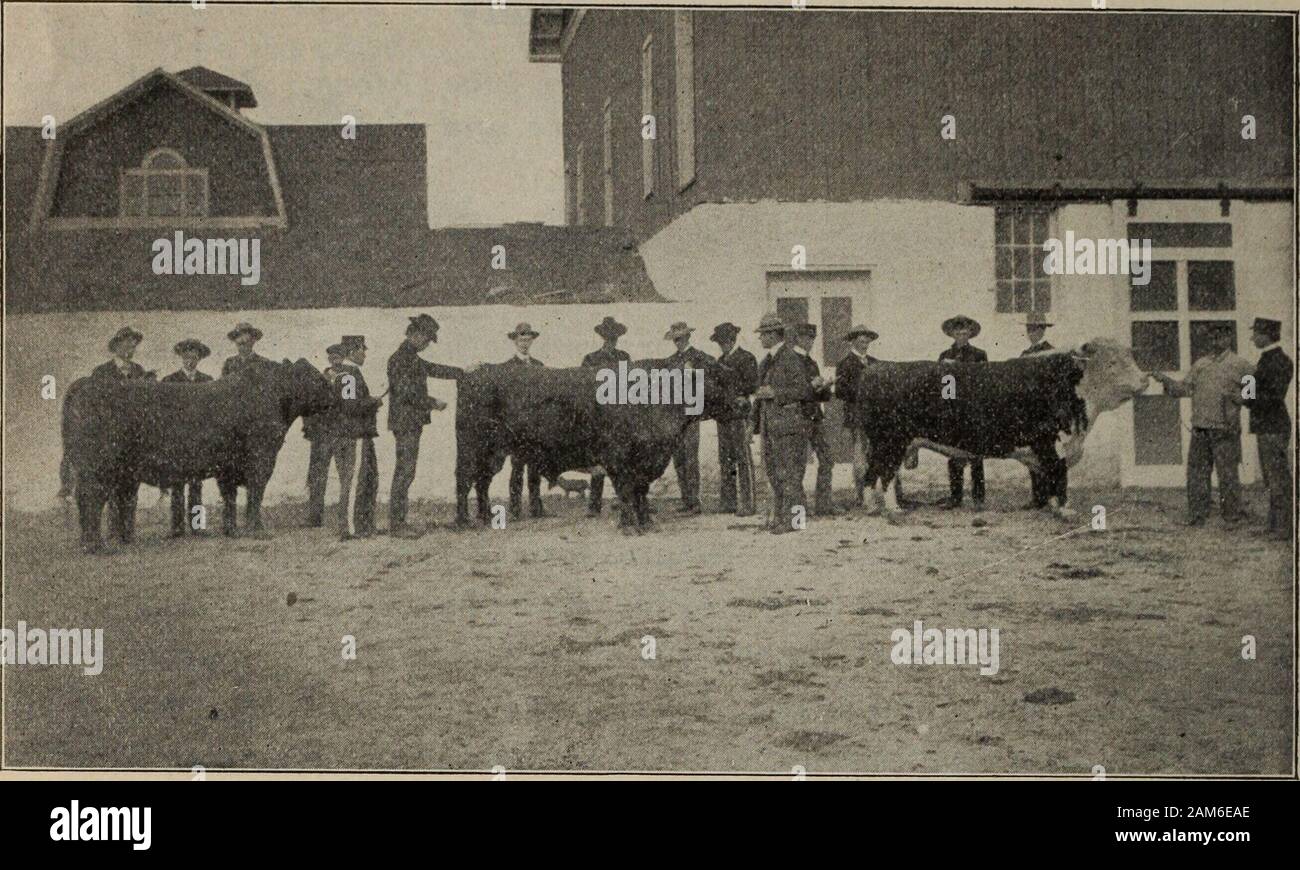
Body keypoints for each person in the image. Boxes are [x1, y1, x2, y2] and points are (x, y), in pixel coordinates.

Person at [1151, 329, 1254, 526]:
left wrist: (1235, 399)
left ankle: (1232, 517)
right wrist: (1166, 380)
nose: (1215, 340)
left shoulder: (1242, 365)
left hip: (1226, 429)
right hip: (1200, 428)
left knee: (1228, 474)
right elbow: (1184, 389)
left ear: (1228, 338)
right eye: (1212, 337)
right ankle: (1198, 515)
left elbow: (1252, 395)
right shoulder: (1200, 364)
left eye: (1220, 336)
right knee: (1197, 473)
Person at [387, 313, 464, 538]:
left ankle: (398, 522)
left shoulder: (409, 356)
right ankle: (397, 525)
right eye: (427, 339)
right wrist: (433, 403)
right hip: (406, 423)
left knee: (406, 471)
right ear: (415, 334)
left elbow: (433, 369)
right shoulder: (401, 358)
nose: (428, 344)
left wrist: (462, 372)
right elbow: (406, 393)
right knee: (405, 472)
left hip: (408, 422)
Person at [753, 312, 815, 534]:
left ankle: (796, 522)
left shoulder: (790, 358)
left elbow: (804, 390)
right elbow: (760, 396)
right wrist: (755, 426)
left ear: (773, 335)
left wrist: (775, 393)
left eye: (763, 334)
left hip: (789, 428)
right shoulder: (766, 361)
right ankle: (780, 518)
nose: (760, 338)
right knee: (775, 475)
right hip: (771, 428)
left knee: (791, 476)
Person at [1240, 317, 1293, 540]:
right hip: (1269, 426)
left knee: (1277, 478)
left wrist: (1245, 392)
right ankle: (1274, 526)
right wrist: (1247, 389)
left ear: (1267, 335)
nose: (1252, 338)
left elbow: (1271, 398)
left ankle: (1283, 528)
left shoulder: (1277, 361)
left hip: (1273, 427)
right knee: (1273, 478)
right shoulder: (1269, 360)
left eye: (1256, 334)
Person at [162, 339, 214, 538]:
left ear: (199, 359)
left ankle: (197, 525)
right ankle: (176, 527)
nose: (190, 361)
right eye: (186, 357)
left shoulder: (207, 381)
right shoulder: (169, 381)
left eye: (194, 358)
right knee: (177, 485)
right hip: (176, 441)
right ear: (181, 358)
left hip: (199, 441)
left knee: (197, 484)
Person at [581, 317, 631, 517]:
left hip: (618, 416)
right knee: (598, 460)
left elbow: (629, 386)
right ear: (602, 337)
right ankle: (594, 504)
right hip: (598, 416)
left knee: (621, 458)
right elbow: (583, 388)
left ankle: (621, 499)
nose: (612, 340)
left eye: (614, 337)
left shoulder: (624, 357)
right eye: (608, 337)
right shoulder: (590, 359)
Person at [938, 315, 988, 510]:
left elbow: (983, 384)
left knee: (976, 455)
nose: (961, 335)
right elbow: (944, 387)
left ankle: (978, 498)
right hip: (954, 410)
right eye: (957, 332)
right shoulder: (945, 355)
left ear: (970, 334)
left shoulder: (979, 355)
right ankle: (956, 497)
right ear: (952, 334)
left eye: (964, 332)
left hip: (974, 409)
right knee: (954, 454)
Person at [665, 321, 714, 515]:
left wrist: (694, 373)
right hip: (675, 416)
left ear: (688, 337)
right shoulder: (669, 360)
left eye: (681, 338)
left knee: (690, 459)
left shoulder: (700, 357)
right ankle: (686, 500)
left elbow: (711, 378)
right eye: (675, 339)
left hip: (691, 416)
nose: (678, 341)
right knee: (679, 460)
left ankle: (694, 503)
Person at [711, 322, 758, 516]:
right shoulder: (719, 360)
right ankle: (729, 502)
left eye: (727, 341)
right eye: (721, 342)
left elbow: (753, 384)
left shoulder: (747, 358)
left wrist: (741, 395)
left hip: (739, 415)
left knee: (743, 458)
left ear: (733, 339)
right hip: (723, 415)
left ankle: (748, 503)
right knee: (726, 459)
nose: (724, 345)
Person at [791, 322, 838, 516]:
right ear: (798, 338)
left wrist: (825, 387)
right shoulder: (790, 360)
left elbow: (821, 397)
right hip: (799, 417)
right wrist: (812, 386)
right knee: (798, 464)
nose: (809, 341)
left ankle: (824, 505)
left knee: (827, 459)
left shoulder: (812, 362)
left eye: (812, 338)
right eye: (806, 337)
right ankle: (799, 507)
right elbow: (793, 392)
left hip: (815, 416)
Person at [503, 322, 547, 519]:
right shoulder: (508, 367)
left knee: (536, 467)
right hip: (518, 426)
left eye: (528, 340)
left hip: (536, 425)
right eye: (521, 339)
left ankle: (536, 507)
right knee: (517, 467)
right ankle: (514, 509)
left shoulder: (539, 366)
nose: (524, 343)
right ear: (514, 341)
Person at [834, 324, 881, 506]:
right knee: (860, 454)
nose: (865, 342)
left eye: (867, 339)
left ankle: (879, 492)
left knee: (877, 453)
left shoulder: (875, 363)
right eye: (861, 339)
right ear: (853, 340)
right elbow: (839, 391)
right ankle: (861, 495)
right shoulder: (845, 364)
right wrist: (863, 392)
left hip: (876, 416)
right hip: (857, 415)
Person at [343, 335, 382, 538]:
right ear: (352, 351)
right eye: (362, 350)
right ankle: (351, 528)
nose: (365, 354)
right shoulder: (349, 375)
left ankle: (364, 525)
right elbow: (349, 406)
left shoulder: (351, 373)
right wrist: (372, 402)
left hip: (362, 434)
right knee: (357, 481)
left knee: (369, 479)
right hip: (355, 434)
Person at [304, 344, 346, 529]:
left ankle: (344, 517)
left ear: (343, 358)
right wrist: (310, 428)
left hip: (341, 434)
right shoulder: (317, 380)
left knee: (345, 475)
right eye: (333, 357)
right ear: (329, 359)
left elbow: (348, 405)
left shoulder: (348, 379)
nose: (336, 360)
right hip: (321, 435)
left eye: (339, 357)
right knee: (317, 476)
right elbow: (309, 407)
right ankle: (315, 518)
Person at [1021, 312, 1056, 509]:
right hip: (1029, 411)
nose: (1031, 333)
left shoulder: (1052, 353)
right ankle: (1037, 497)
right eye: (1029, 329)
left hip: (1046, 411)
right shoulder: (1024, 355)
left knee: (1048, 454)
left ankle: (1051, 496)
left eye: (1035, 329)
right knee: (1033, 455)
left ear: (1043, 330)